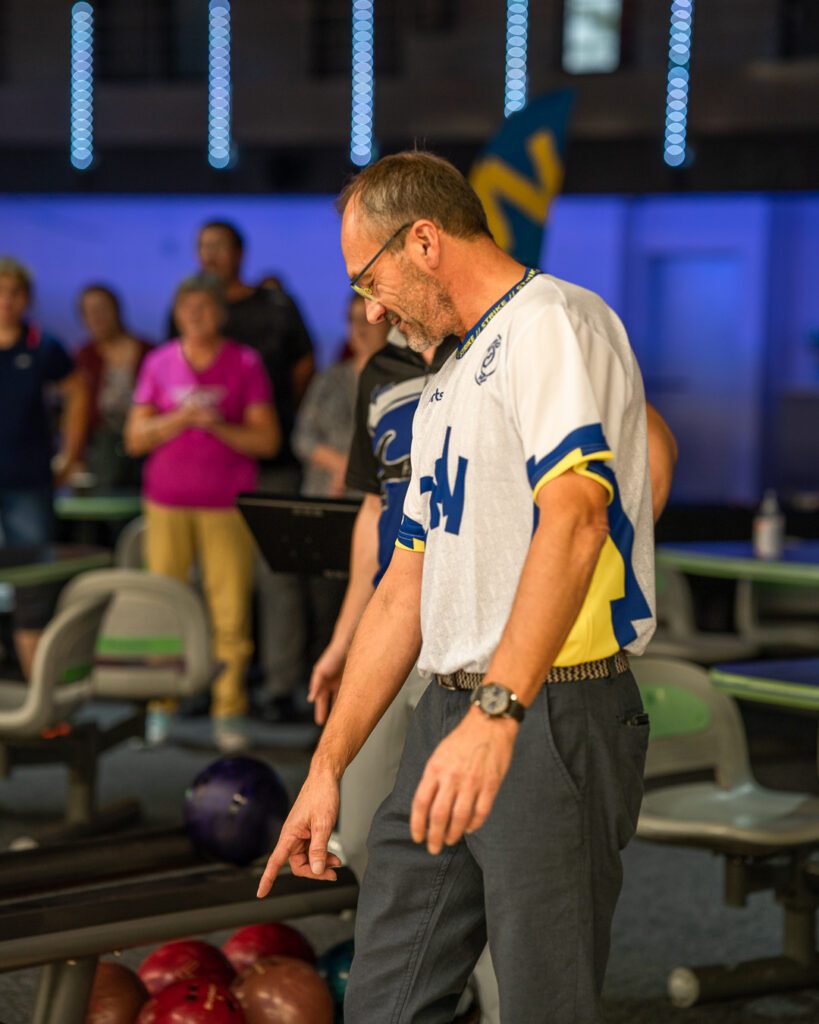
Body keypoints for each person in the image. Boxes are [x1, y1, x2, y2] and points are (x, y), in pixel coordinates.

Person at [258, 152, 660, 1024]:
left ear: (426, 241)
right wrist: (327, 767)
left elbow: (577, 518)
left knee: (543, 1003)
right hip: (445, 711)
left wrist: (499, 710)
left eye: (370, 278)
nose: (370, 309)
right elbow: (403, 586)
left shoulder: (552, 322)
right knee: (386, 1000)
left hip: (549, 707)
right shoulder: (439, 383)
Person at [126, 274, 280, 752]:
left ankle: (228, 709)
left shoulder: (244, 362)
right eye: (186, 307)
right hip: (167, 501)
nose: (195, 315)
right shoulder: (158, 361)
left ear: (221, 313)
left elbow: (267, 440)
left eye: (204, 307)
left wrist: (219, 426)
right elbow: (134, 439)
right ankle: (159, 707)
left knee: (230, 611)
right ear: (175, 313)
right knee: (163, 605)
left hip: (225, 504)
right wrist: (180, 418)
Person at [170, 221, 315, 721]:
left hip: (268, 460)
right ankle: (201, 683)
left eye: (219, 246)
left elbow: (302, 366)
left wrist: (272, 418)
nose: (209, 254)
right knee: (207, 581)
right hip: (207, 471)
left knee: (274, 578)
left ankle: (278, 686)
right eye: (202, 246)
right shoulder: (190, 307)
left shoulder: (274, 305)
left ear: (239, 252)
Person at [0, 257, 88, 677]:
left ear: (27, 298)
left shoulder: (43, 345)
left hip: (27, 478)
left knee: (33, 582)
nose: (6, 302)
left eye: (14, 293)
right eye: (0, 292)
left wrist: (69, 454)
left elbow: (77, 392)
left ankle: (37, 686)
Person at [292, 294, 389, 673]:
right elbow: (302, 437)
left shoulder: (404, 379)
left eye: (367, 320)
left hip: (376, 506)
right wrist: (342, 464)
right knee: (323, 605)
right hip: (328, 505)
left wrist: (354, 469)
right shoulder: (332, 377)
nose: (360, 329)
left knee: (372, 604)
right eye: (351, 321)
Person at [74, 284, 152, 490]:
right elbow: (76, 412)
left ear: (117, 309)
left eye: (102, 309)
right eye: (89, 312)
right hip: (102, 449)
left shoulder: (149, 353)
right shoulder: (83, 356)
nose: (97, 317)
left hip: (146, 444)